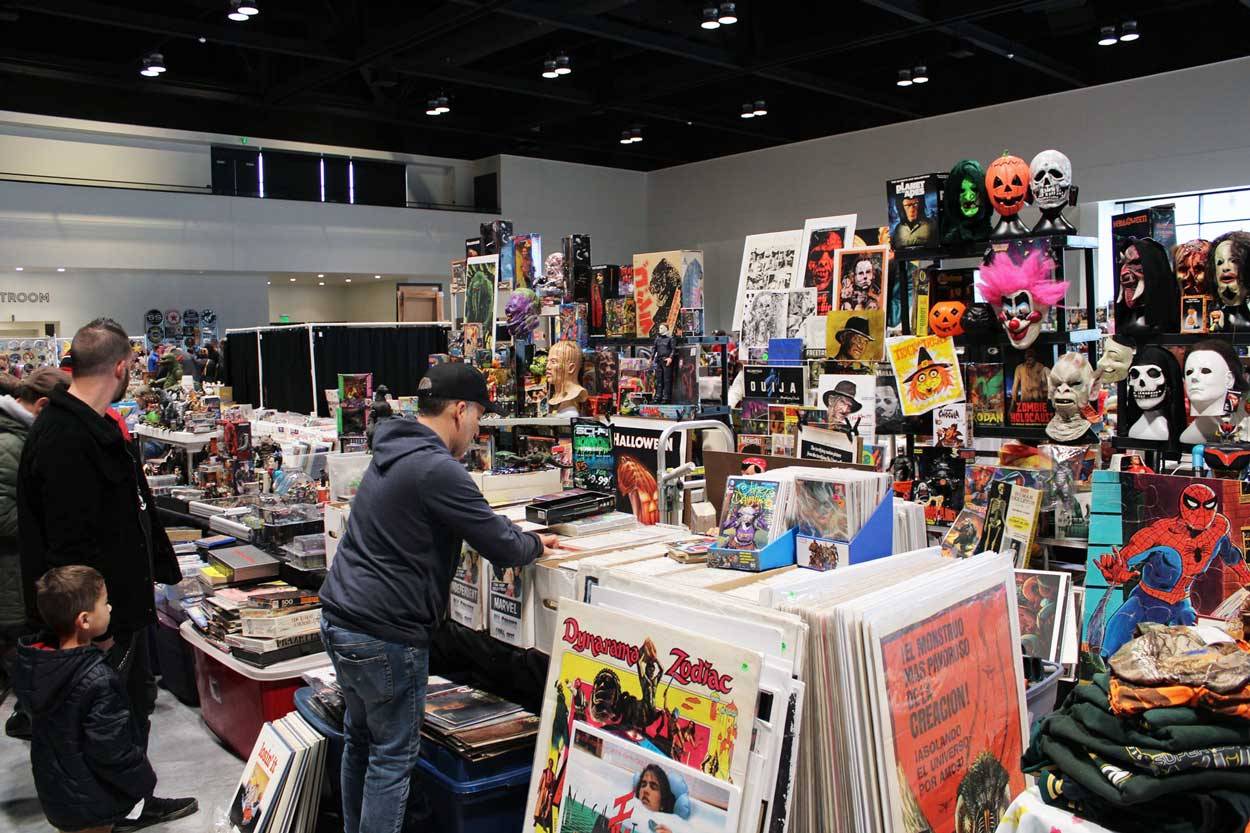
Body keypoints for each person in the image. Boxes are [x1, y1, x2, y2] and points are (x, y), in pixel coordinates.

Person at [319, 362, 562, 833]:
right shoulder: (437, 468)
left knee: (360, 743)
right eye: (477, 418)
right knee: (391, 759)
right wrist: (537, 541)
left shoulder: (392, 451)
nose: (476, 430)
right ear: (459, 410)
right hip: (385, 633)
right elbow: (503, 547)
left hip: (342, 618)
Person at [17, 318, 192, 827]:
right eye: (133, 366)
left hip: (114, 609)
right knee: (104, 720)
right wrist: (92, 626)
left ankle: (128, 801)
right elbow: (68, 546)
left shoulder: (84, 426)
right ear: (121, 367)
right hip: (96, 620)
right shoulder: (67, 436)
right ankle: (117, 809)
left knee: (127, 710)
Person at [14, 566, 197, 833]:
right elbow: (112, 749)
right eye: (104, 603)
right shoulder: (97, 679)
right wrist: (143, 782)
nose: (110, 609)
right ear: (85, 620)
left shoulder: (36, 664)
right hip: (94, 800)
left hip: (57, 793)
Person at [0, 368, 70, 739]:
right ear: (42, 405)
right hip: (12, 577)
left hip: (22, 575)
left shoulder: (21, 437)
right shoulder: (10, 444)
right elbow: (6, 516)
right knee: (22, 662)